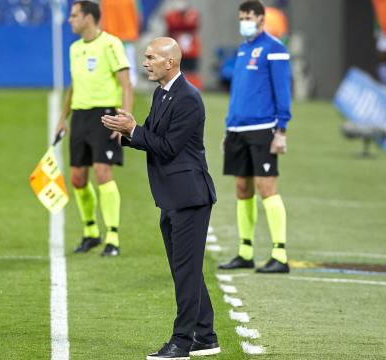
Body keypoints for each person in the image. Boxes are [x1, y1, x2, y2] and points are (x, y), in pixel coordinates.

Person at [102, 37, 219, 359]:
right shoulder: (162, 93)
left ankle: (182, 342)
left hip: (190, 198)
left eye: (151, 57)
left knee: (185, 271)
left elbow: (167, 147)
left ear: (170, 62)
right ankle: (206, 336)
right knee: (186, 270)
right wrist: (125, 132)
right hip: (171, 196)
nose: (145, 62)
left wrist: (134, 129)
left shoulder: (189, 99)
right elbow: (152, 137)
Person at [217, 0, 292, 274]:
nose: (244, 21)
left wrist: (281, 130)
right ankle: (245, 252)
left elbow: (283, 91)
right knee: (242, 188)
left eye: (249, 17)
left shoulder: (275, 49)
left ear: (261, 19)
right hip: (238, 130)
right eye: (242, 17)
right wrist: (228, 127)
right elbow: (238, 92)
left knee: (267, 188)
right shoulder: (242, 50)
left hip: (263, 129)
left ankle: (280, 254)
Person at [56, 0, 133, 257]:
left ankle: (113, 236)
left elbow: (126, 84)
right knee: (78, 178)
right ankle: (91, 232)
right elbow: (74, 86)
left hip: (105, 115)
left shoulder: (111, 44)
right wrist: (62, 118)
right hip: (80, 116)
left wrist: (123, 119)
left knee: (103, 172)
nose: (70, 20)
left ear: (89, 18)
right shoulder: (75, 48)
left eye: (74, 15)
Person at [100, 0, 141, 86]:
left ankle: (131, 81)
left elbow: (137, 12)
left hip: (125, 33)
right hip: (114, 33)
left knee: (128, 58)